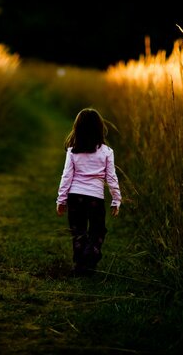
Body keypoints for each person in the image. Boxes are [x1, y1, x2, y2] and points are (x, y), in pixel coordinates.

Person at [56, 108, 122, 276]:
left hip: (75, 197)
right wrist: (116, 199)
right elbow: (112, 178)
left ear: (77, 128)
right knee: (97, 231)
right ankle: (91, 254)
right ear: (100, 129)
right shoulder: (107, 152)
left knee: (78, 231)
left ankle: (80, 264)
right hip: (95, 199)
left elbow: (66, 177)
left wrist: (61, 200)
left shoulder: (72, 151)